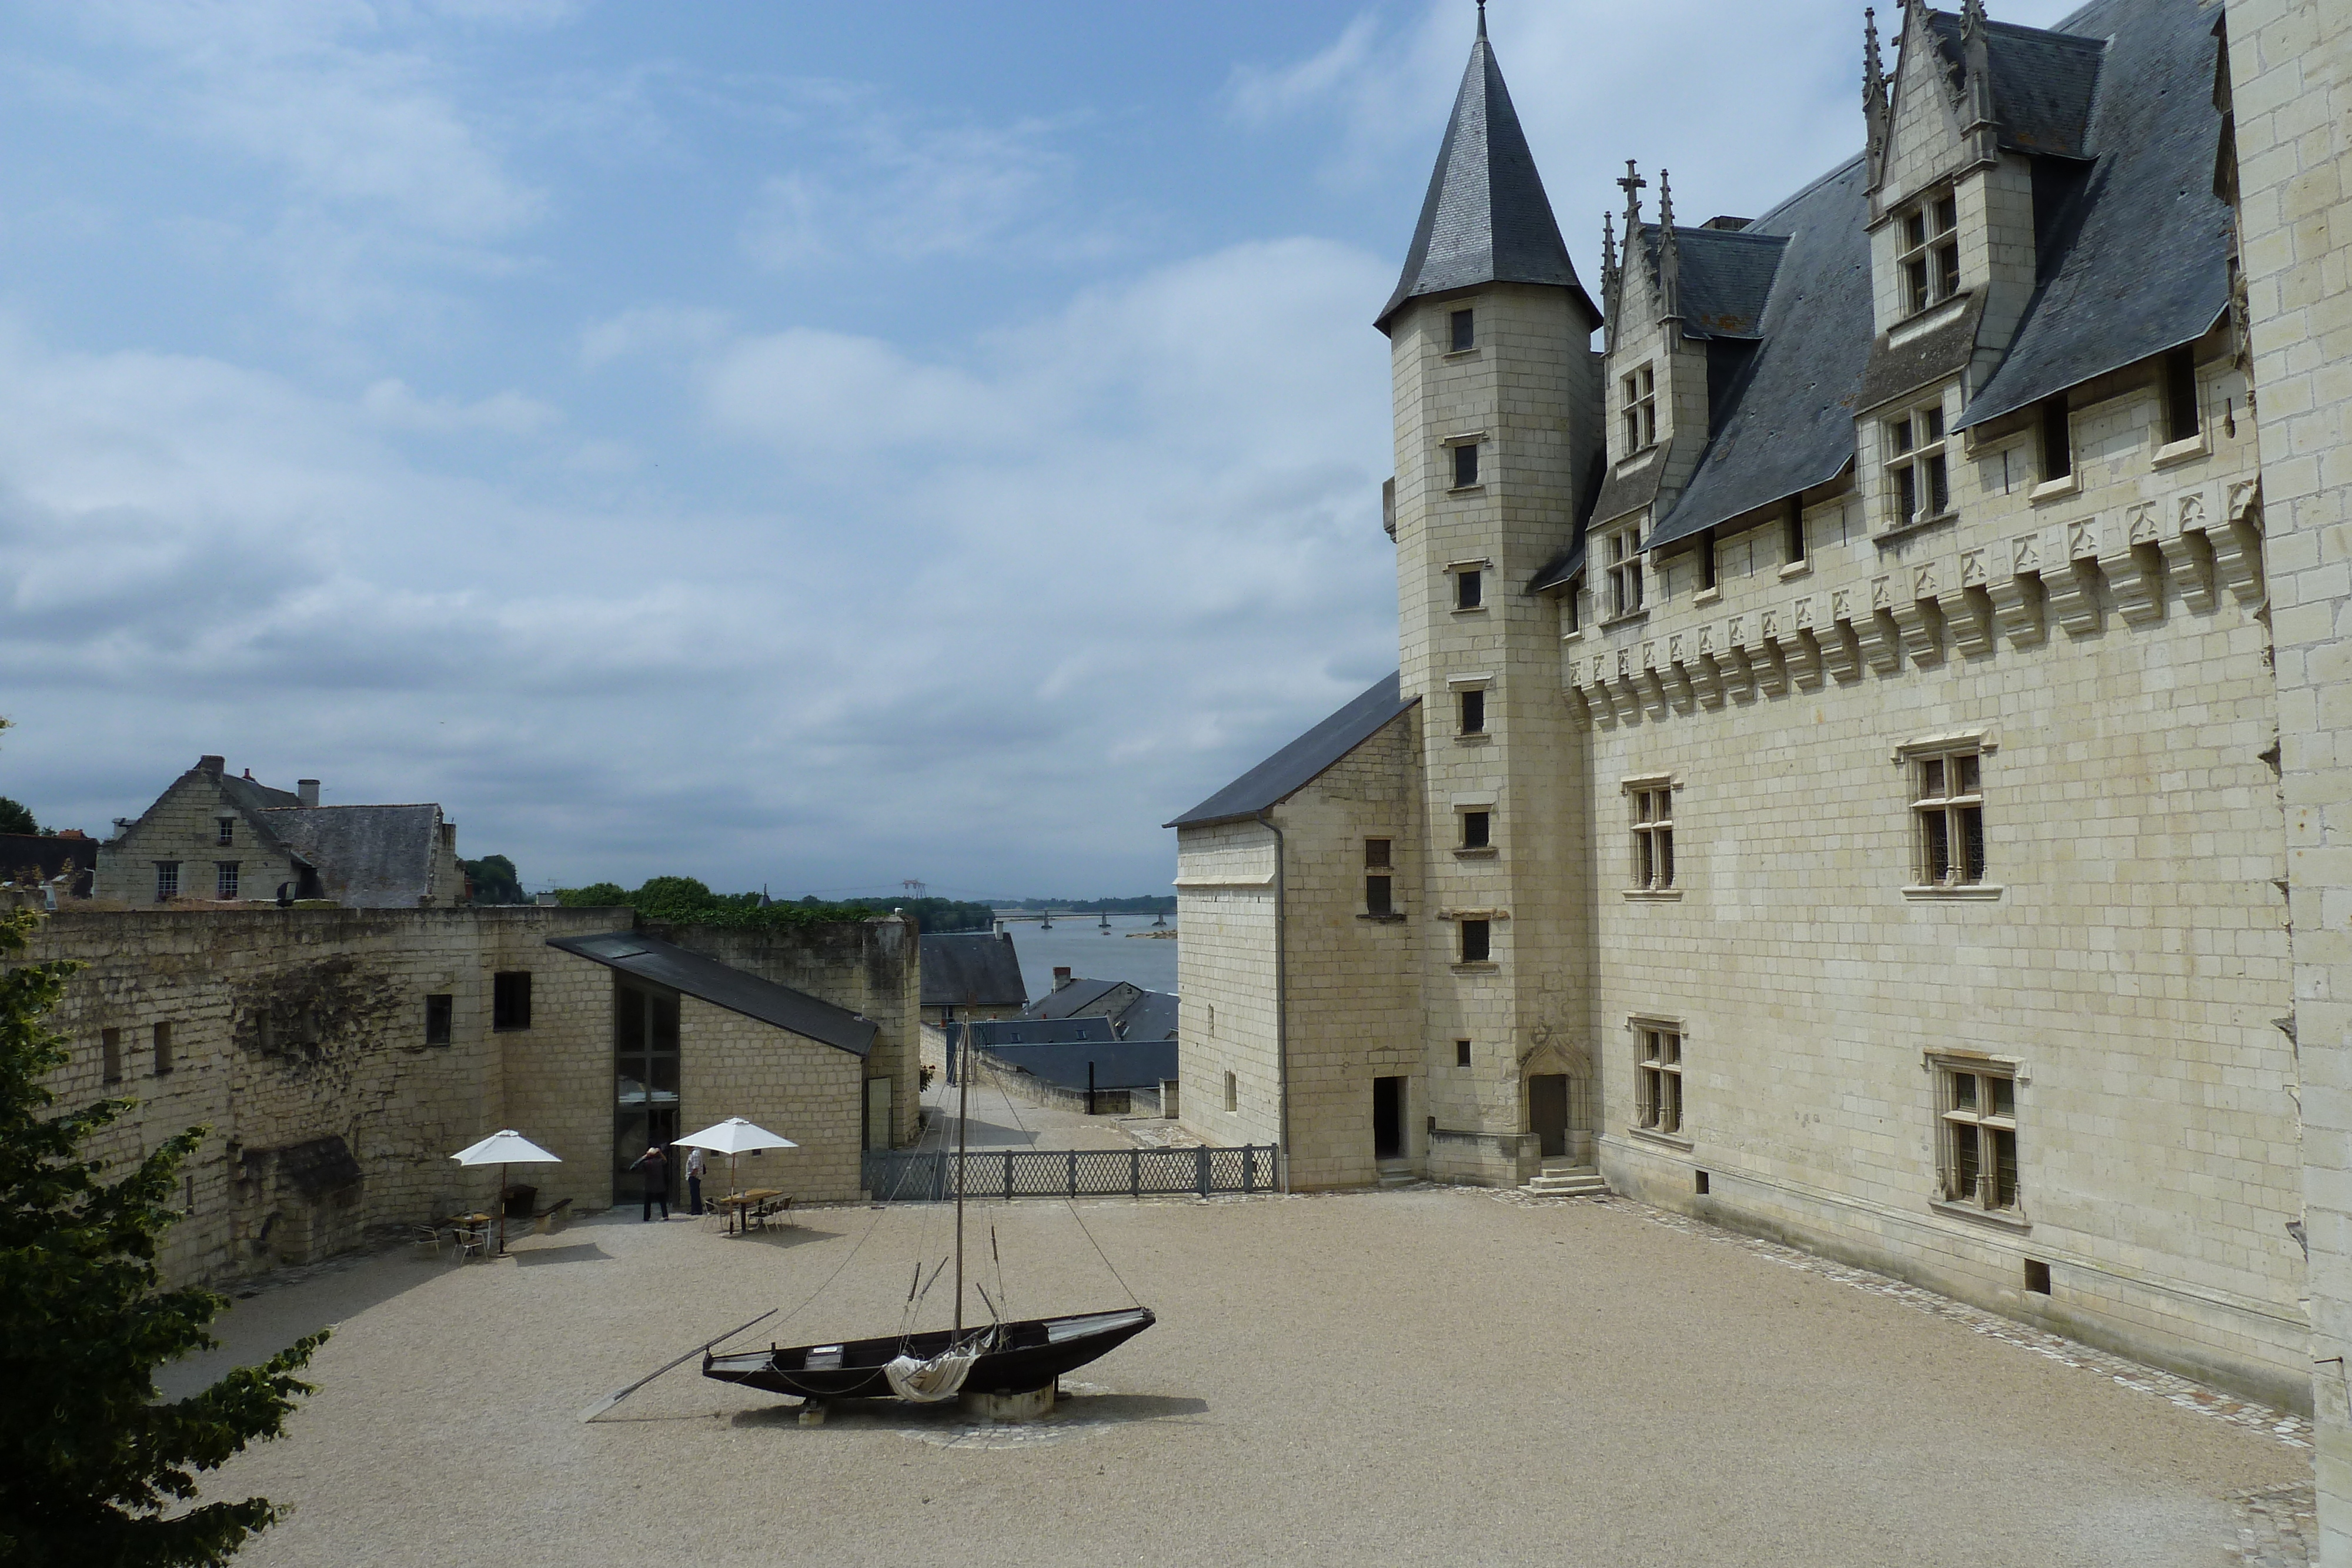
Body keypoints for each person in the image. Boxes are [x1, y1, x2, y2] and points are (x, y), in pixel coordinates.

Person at [630, 1142, 670, 1222]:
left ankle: (646, 1217)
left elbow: (633, 1167)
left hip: (649, 1186)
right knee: (662, 1202)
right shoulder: (660, 1162)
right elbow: (666, 1161)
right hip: (660, 1185)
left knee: (648, 1203)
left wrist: (644, 1157)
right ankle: (665, 1216)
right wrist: (661, 1153)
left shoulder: (646, 1163)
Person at [684, 1146, 707, 1216]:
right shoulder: (695, 1153)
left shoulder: (695, 1154)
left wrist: (692, 1175)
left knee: (695, 1194)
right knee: (694, 1193)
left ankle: (696, 1210)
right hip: (694, 1176)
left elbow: (696, 1167)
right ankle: (694, 1209)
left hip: (694, 1177)